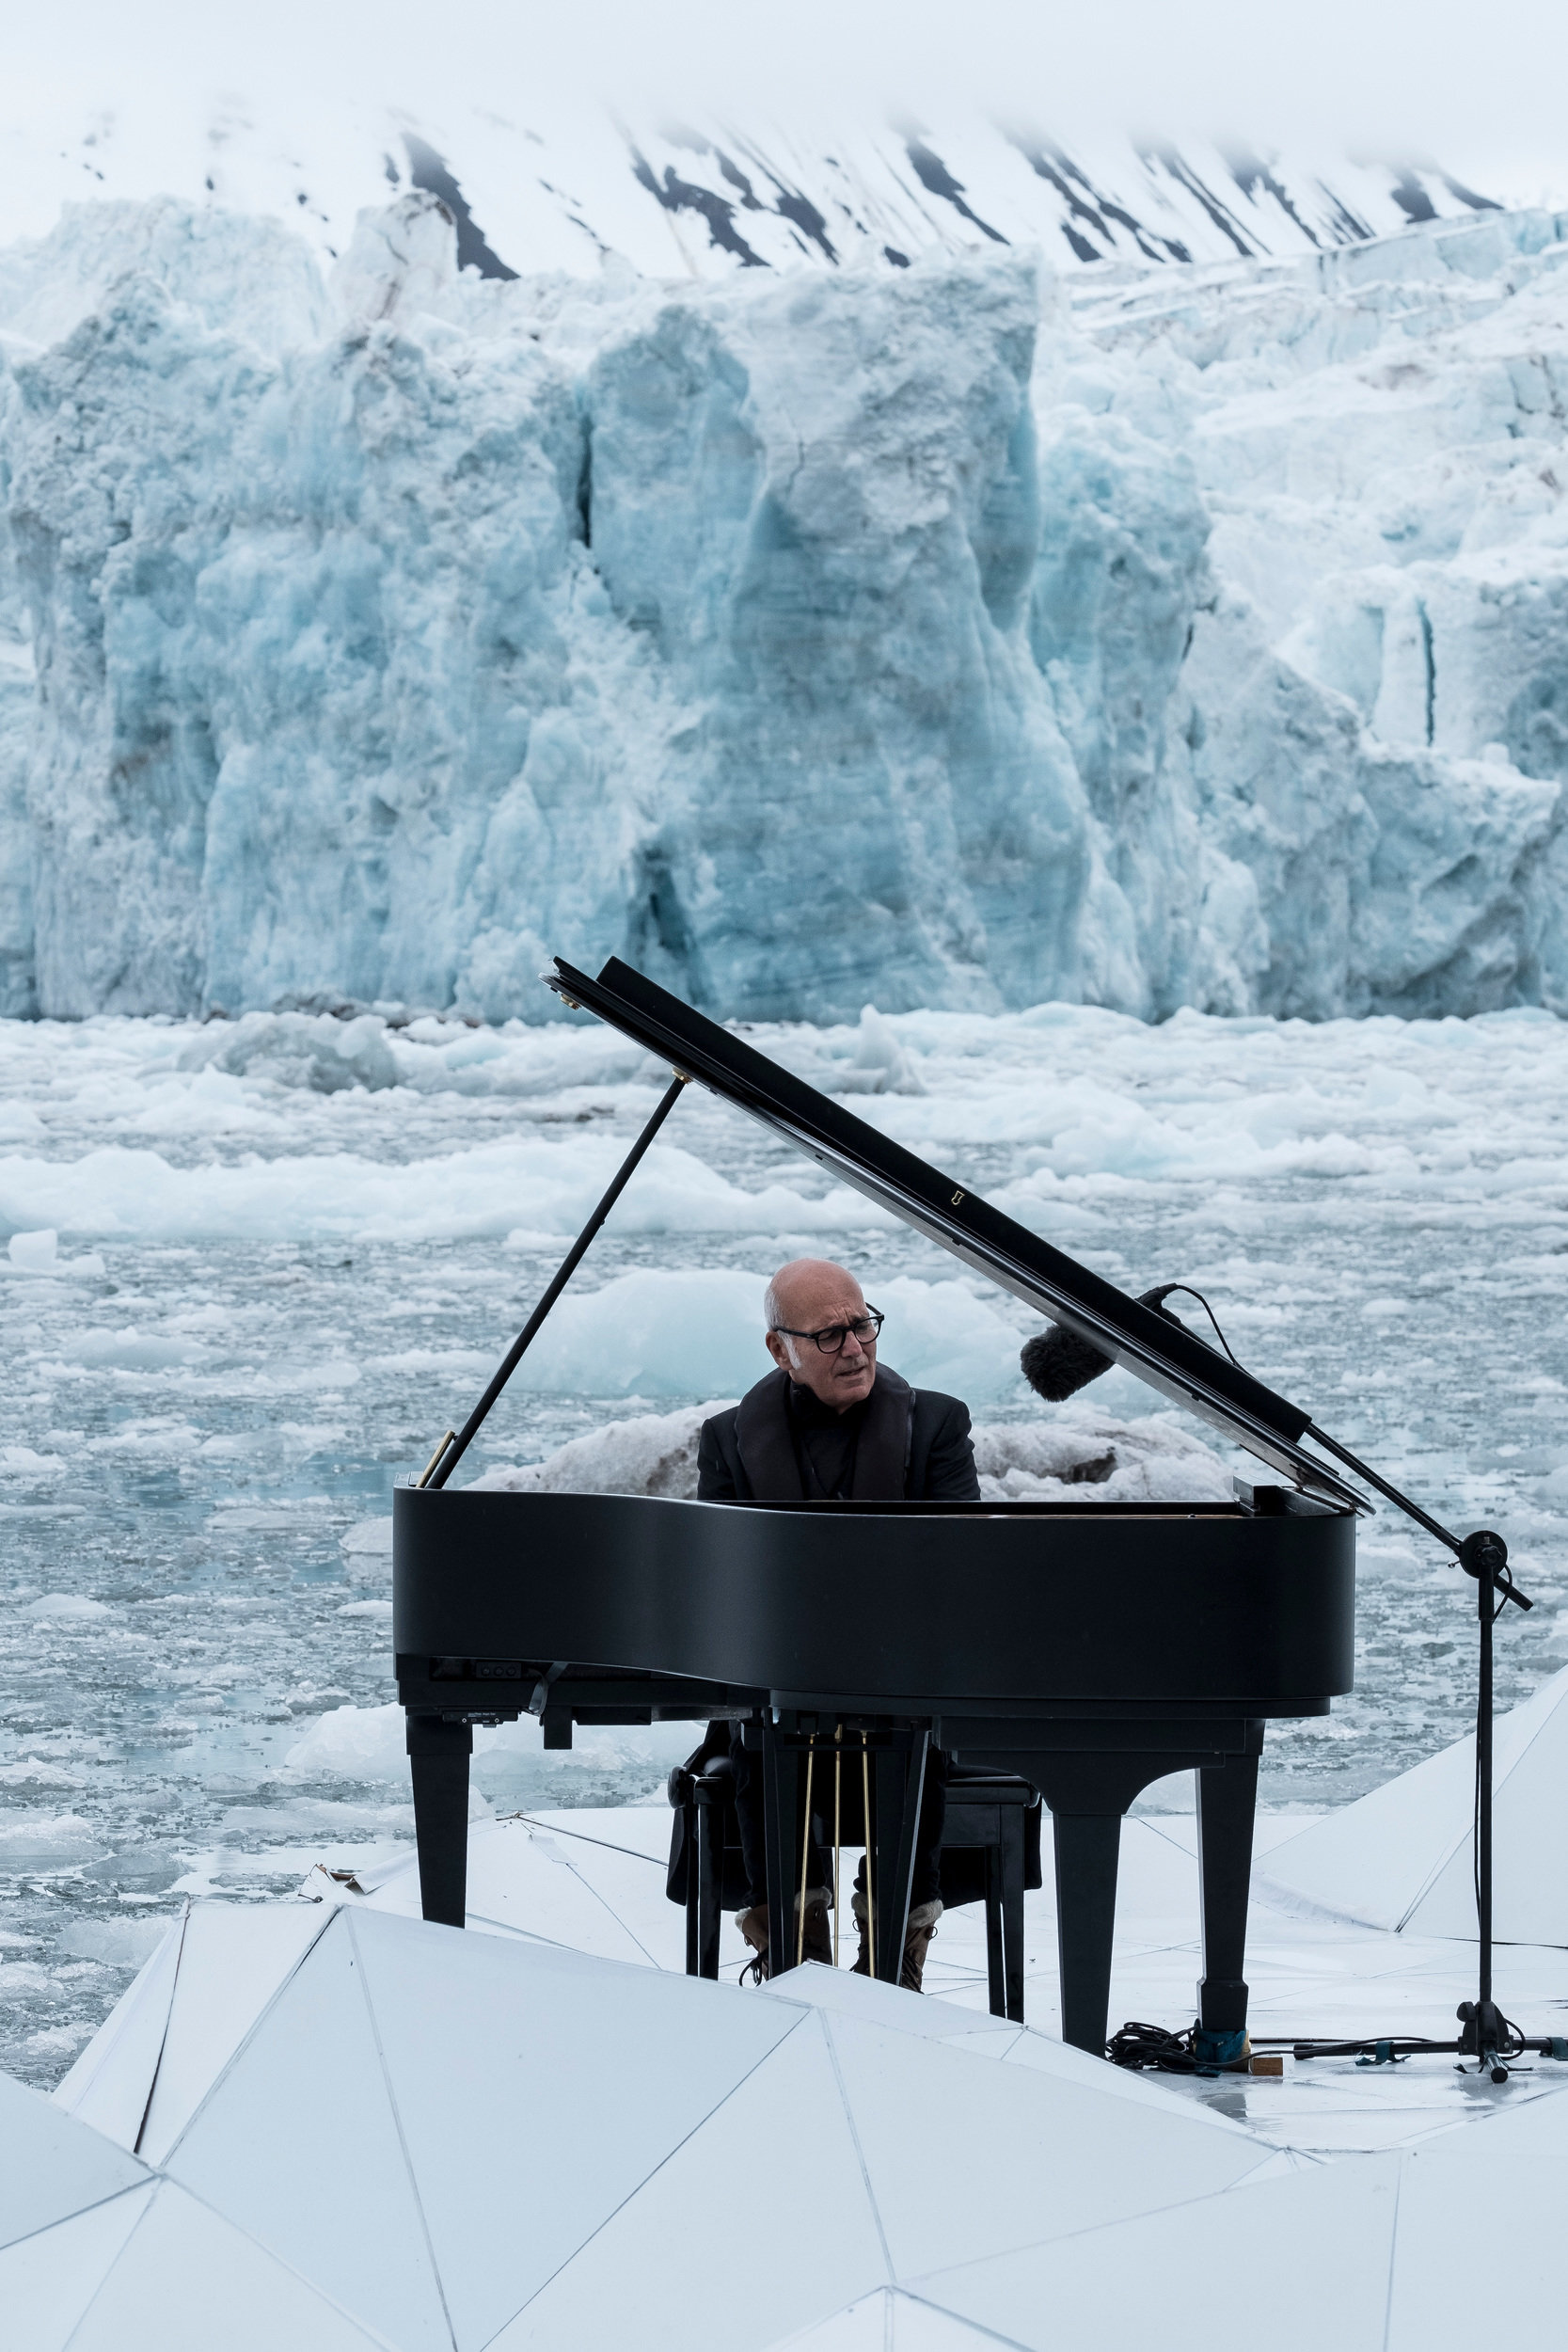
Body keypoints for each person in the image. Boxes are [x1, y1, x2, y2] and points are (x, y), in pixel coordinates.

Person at [696, 1257, 979, 1990]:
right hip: (780, 1684)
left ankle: (898, 1950)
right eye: (828, 1335)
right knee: (758, 1729)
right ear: (778, 1348)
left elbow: (963, 1564)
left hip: (904, 1678)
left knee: (918, 1732)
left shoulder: (937, 1423)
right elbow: (720, 1585)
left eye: (861, 1325)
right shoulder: (726, 1440)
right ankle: (794, 1944)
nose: (854, 1348)